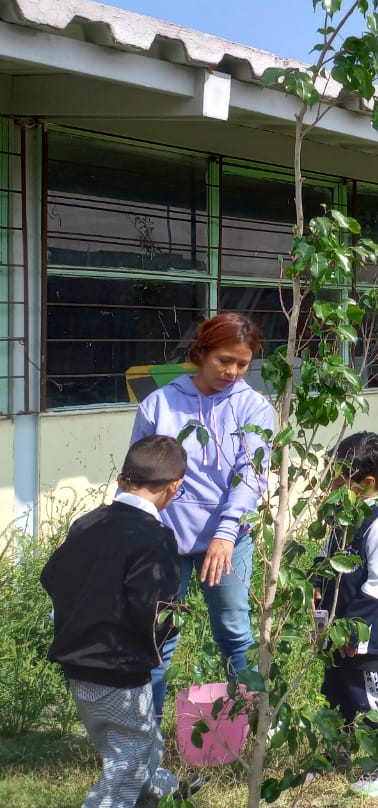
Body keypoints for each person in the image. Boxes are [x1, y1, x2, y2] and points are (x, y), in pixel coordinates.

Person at [41, 435, 203, 808]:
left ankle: (163, 793)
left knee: (144, 742)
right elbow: (154, 610)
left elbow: (52, 578)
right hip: (119, 670)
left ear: (121, 480)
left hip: (77, 663)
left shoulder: (87, 523)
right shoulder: (157, 537)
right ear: (174, 488)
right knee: (126, 761)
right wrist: (167, 630)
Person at [130, 312, 275, 718]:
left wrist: (226, 534)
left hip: (227, 540)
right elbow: (138, 475)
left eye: (242, 364)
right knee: (158, 640)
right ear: (201, 352)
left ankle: (248, 726)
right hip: (164, 541)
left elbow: (252, 477)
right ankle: (147, 734)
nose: (232, 371)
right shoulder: (160, 404)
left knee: (234, 632)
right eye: (223, 360)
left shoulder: (255, 408)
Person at [314, 431, 378, 798]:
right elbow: (326, 557)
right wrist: (315, 586)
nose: (330, 482)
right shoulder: (341, 515)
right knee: (333, 691)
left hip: (362, 635)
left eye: (338, 476)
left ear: (366, 483)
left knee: (364, 694)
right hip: (333, 627)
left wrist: (351, 632)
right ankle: (335, 751)